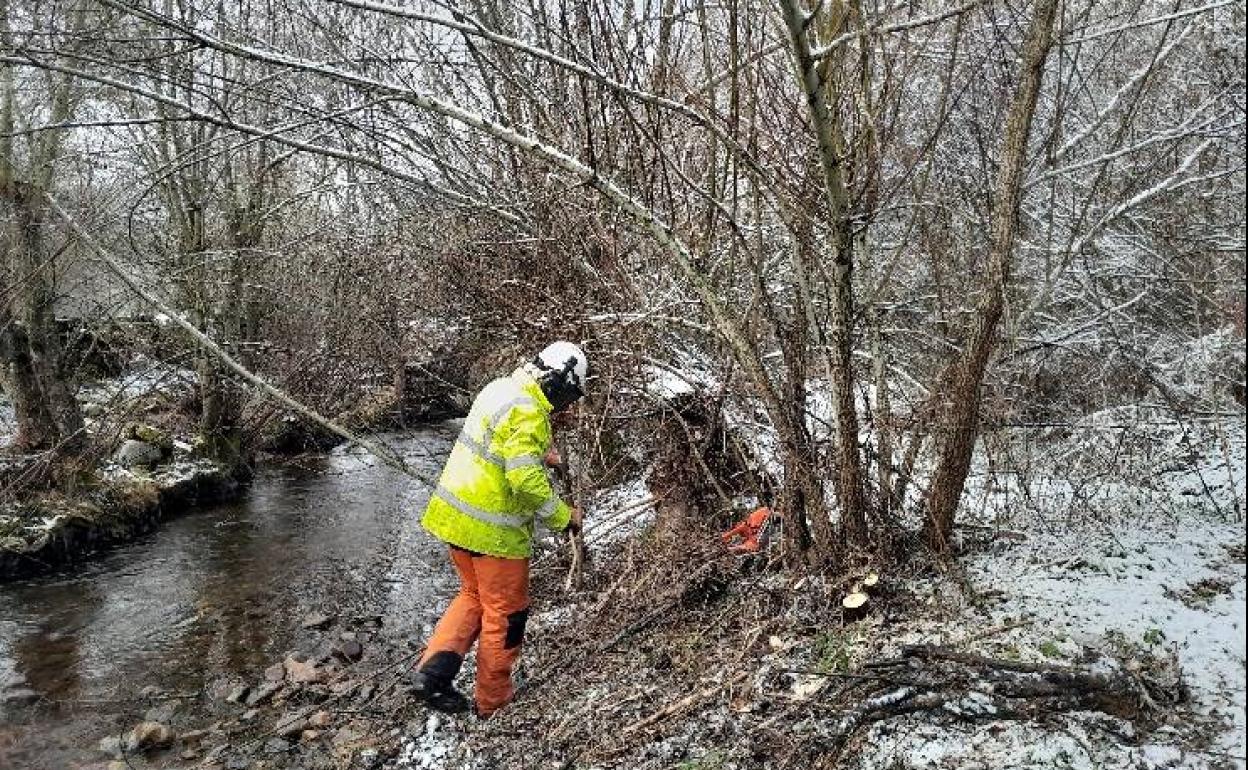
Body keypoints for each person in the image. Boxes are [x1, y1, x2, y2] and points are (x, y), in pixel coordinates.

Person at [407, 341, 588, 717]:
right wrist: (563, 516)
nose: (565, 405)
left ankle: (431, 676)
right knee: (506, 616)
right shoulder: (531, 412)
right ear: (557, 379)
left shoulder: (500, 389)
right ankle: (494, 702)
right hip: (494, 533)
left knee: (472, 596)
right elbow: (523, 479)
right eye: (568, 394)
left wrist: (540, 454)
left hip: (456, 519)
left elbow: (501, 444)